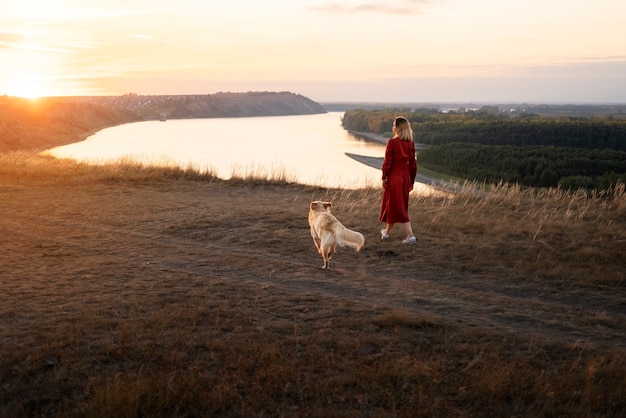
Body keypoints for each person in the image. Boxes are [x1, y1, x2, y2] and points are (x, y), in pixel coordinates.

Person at [379, 116, 418, 244]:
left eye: (394, 125)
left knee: (399, 207)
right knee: (394, 205)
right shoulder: (410, 144)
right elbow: (413, 165)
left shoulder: (392, 142)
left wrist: (384, 177)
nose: (392, 127)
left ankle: (410, 236)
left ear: (398, 128)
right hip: (405, 176)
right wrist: (411, 180)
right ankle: (386, 232)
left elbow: (387, 163)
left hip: (395, 177)